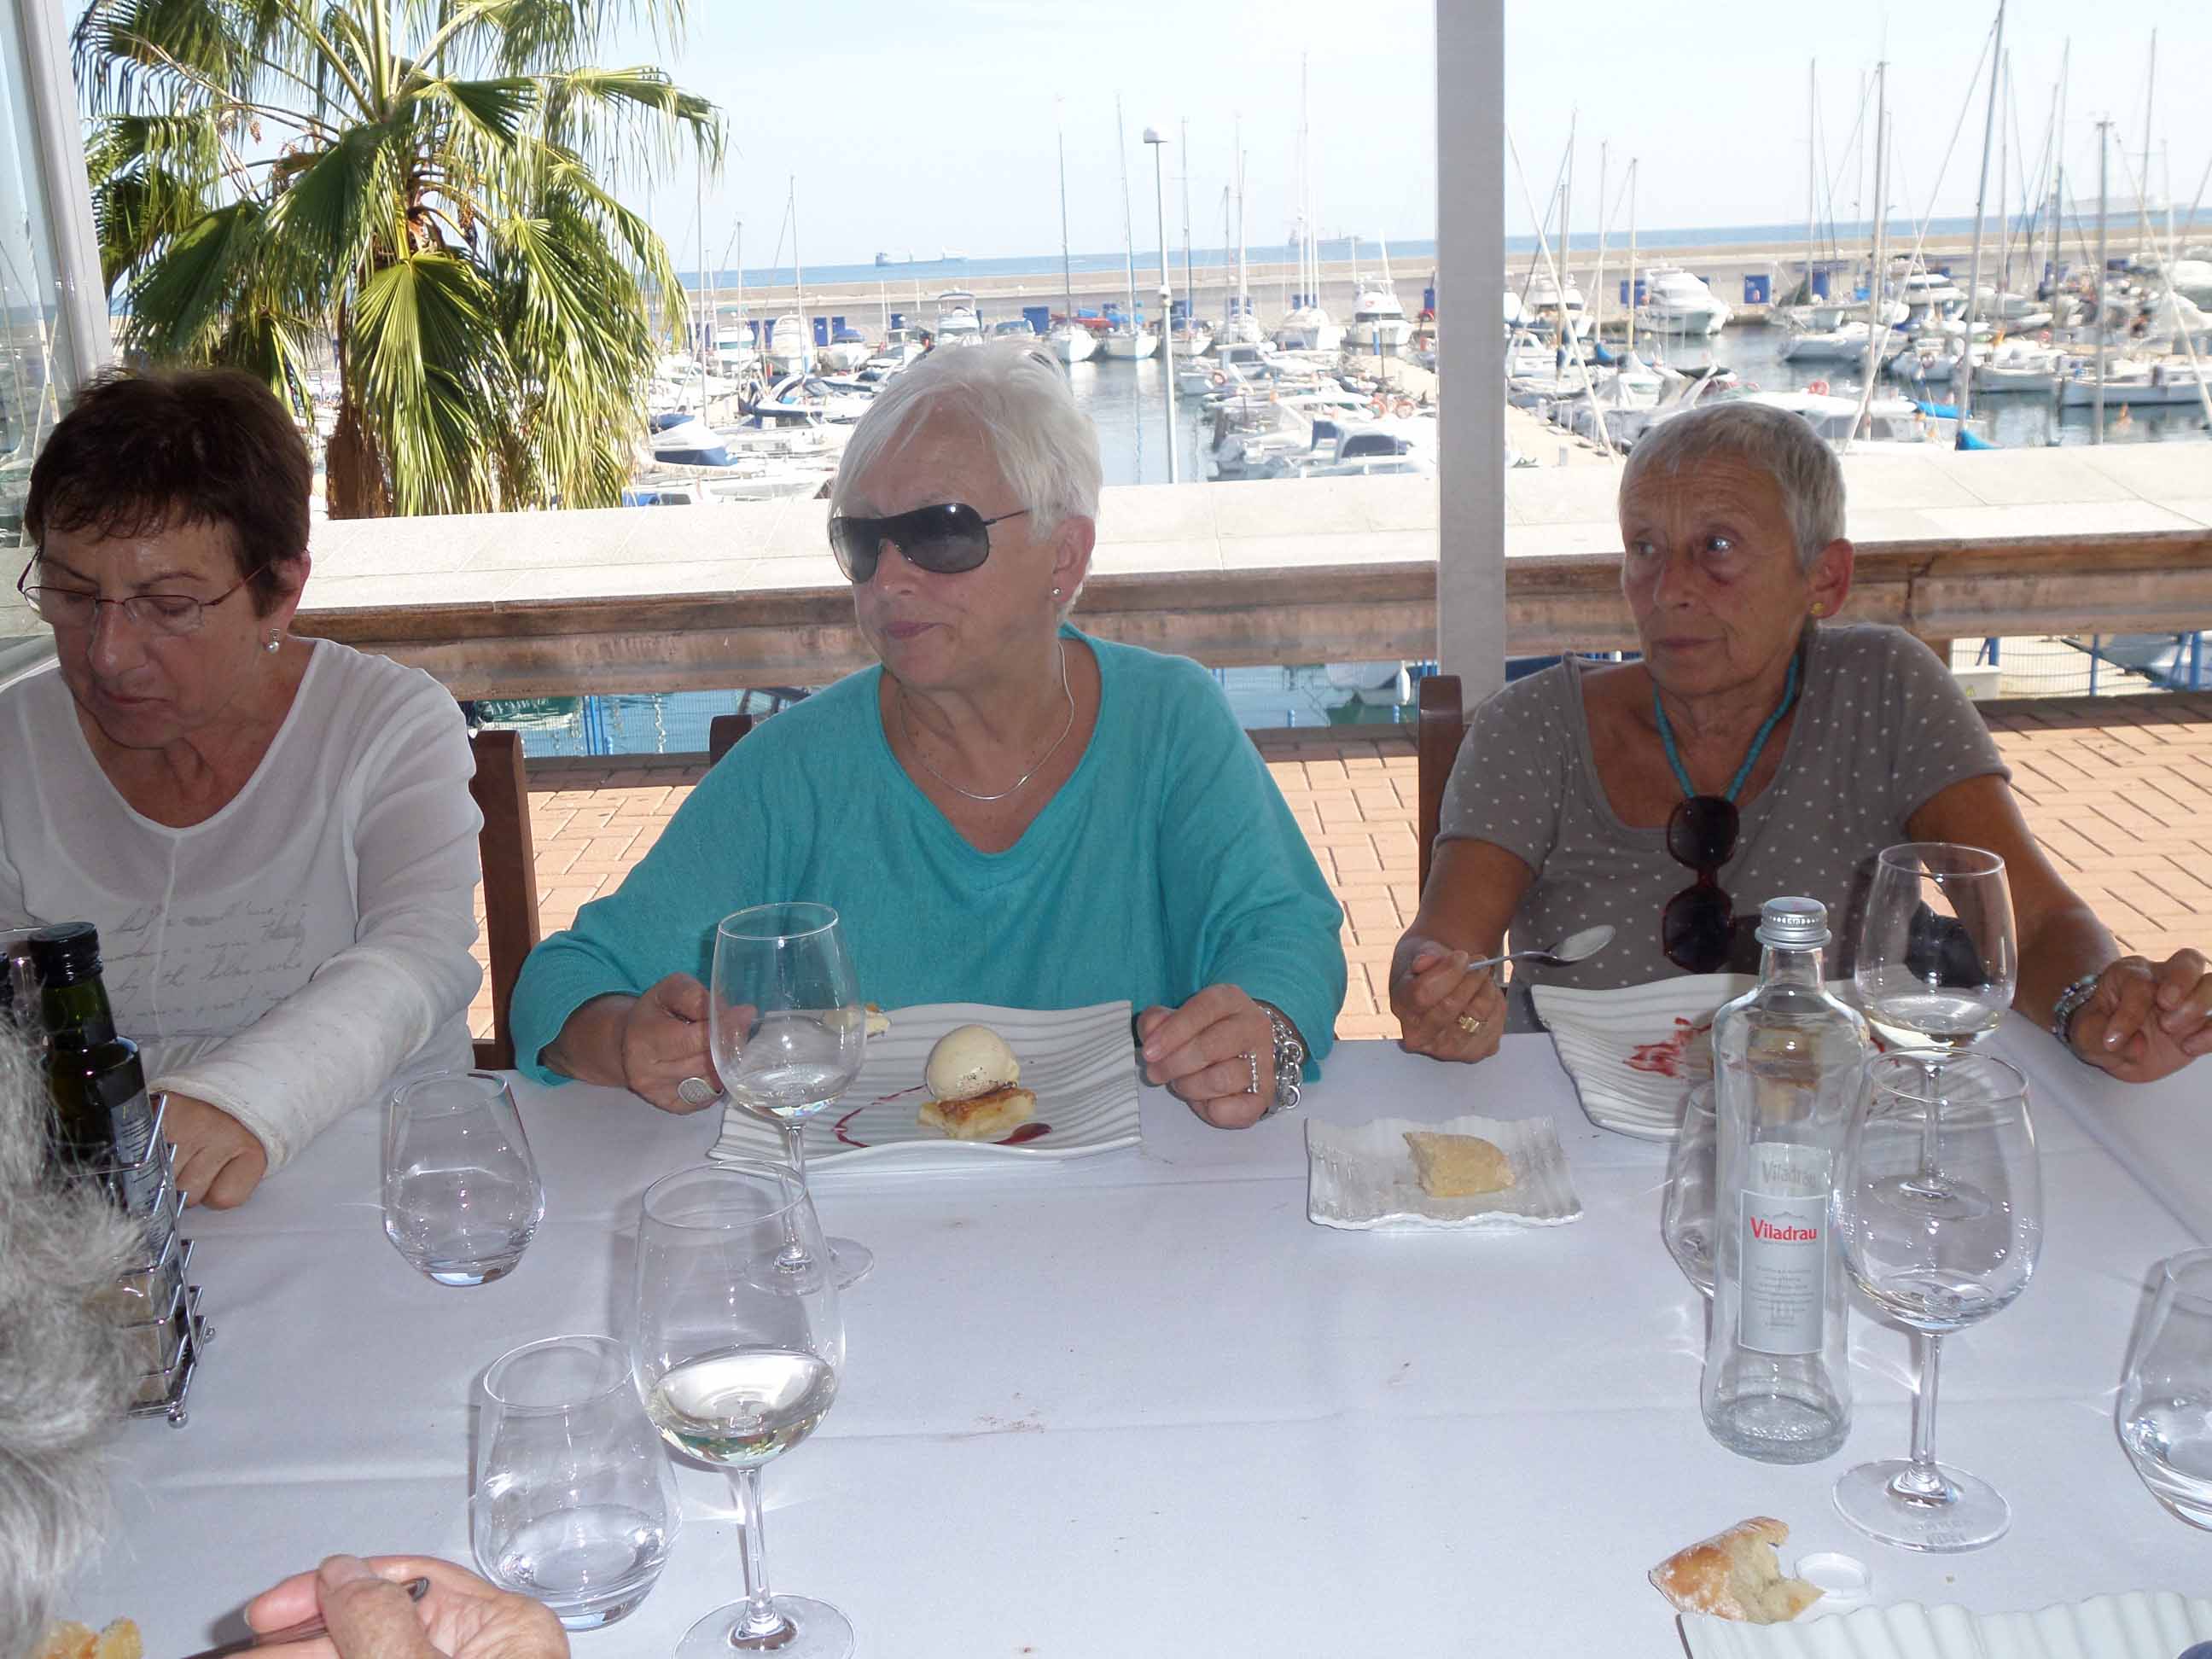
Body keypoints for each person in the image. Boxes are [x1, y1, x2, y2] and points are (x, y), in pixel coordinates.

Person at [511, 341, 1345, 1126]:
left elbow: (1288, 941)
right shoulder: (798, 770)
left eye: (940, 533)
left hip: (1128, 1206)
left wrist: (1261, 1037)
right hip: (857, 1212)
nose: (890, 579)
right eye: (862, 542)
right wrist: (625, 1041)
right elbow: (564, 983)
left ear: (1064, 556)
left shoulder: (1167, 724)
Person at [1394, 399, 2212, 1081]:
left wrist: (2091, 1003)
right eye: (1644, 548)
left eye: (1716, 548)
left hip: (1849, 1123)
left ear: (1825, 577)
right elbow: (1442, 944)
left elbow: (2031, 924)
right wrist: (1434, 994)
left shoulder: (1884, 689)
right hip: (1580, 1114)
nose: (1668, 589)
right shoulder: (1533, 726)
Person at [2, 369, 482, 1208]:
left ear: (281, 593)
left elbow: (419, 956)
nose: (107, 652)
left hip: (381, 1187)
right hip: (103, 1211)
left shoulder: (385, 722)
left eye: (167, 605)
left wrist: (237, 1099)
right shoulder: (13, 745)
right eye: (74, 594)